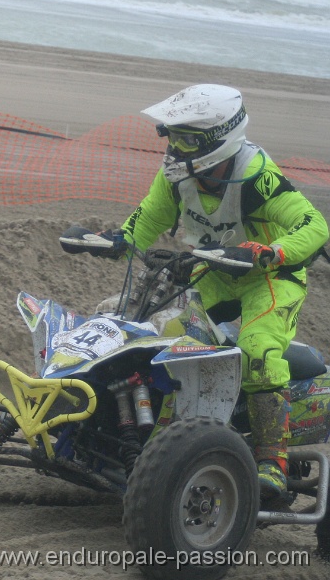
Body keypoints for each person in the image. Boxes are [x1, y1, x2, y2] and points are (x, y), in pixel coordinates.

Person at [101, 84, 329, 502]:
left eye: (186, 138)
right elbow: (148, 219)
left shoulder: (258, 176)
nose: (174, 146)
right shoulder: (177, 177)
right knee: (164, 338)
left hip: (270, 278)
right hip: (215, 272)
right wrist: (117, 242)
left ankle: (271, 463)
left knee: (257, 349)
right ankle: (156, 440)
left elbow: (316, 227)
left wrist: (271, 252)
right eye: (172, 136)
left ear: (218, 139)